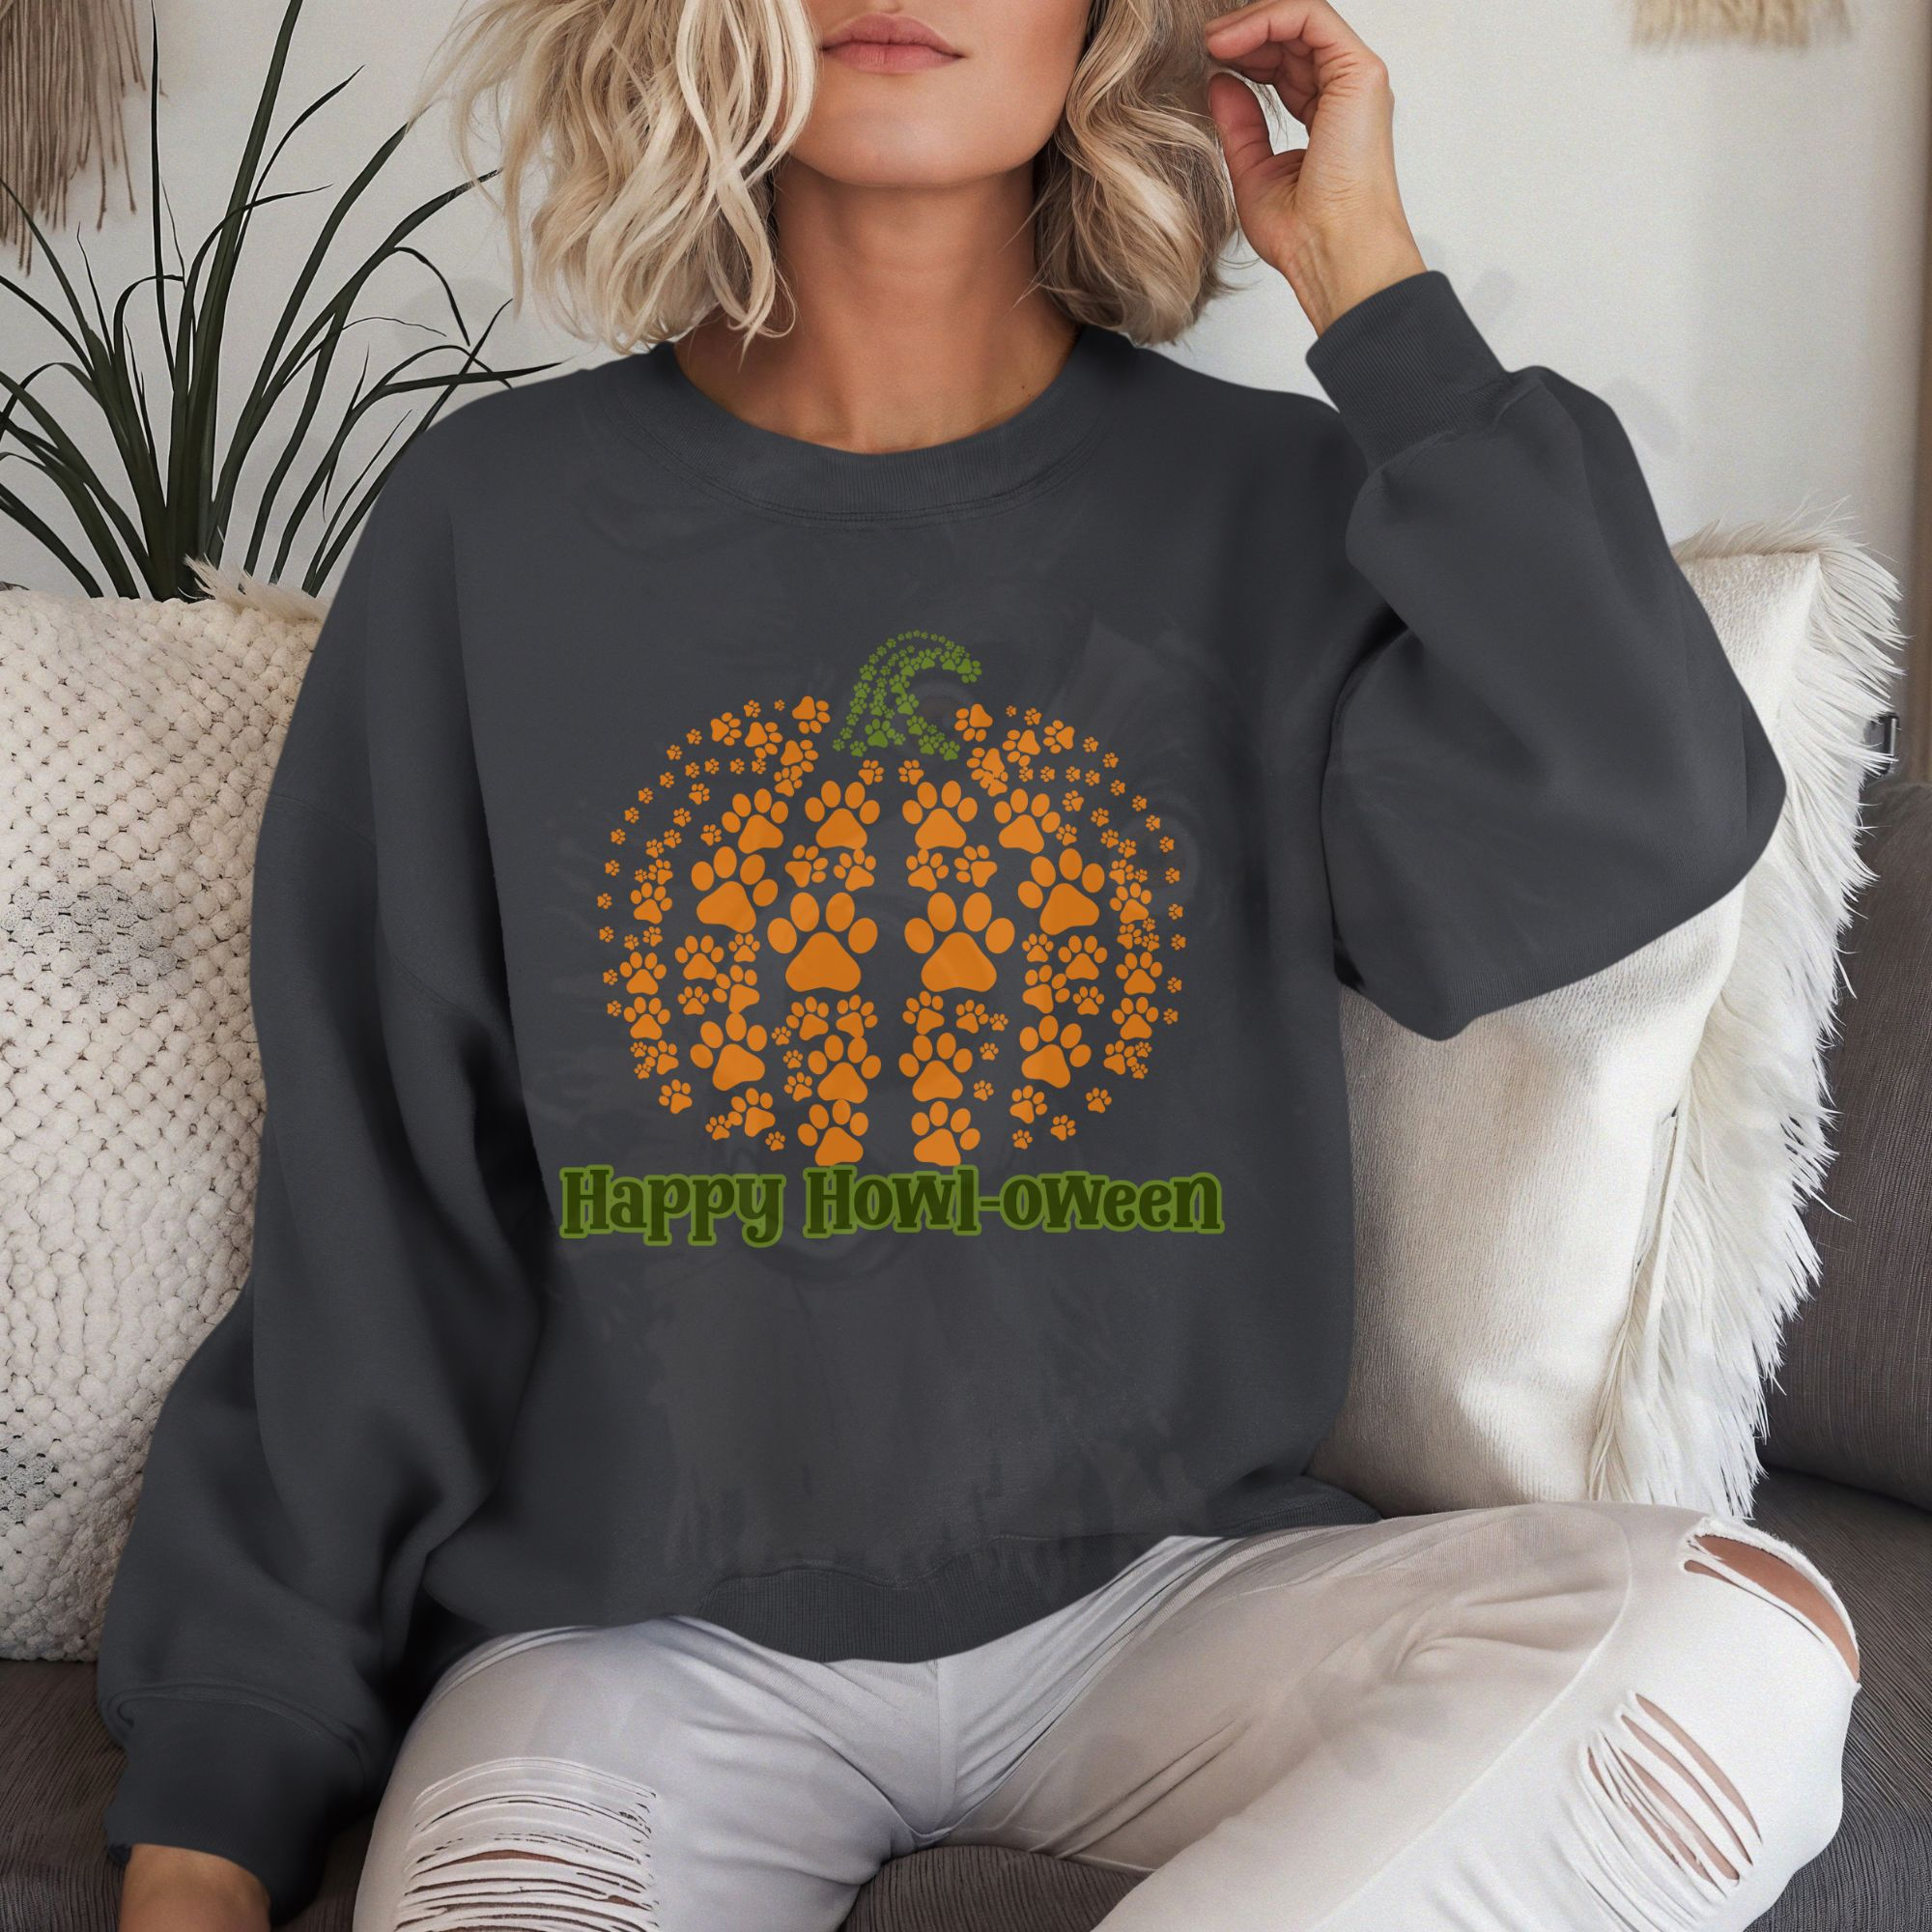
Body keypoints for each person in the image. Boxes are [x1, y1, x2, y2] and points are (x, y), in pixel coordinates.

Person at [100, 2, 1861, 1928]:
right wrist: (214, 1812)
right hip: (627, 1653)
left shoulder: (1272, 513)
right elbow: (375, 1219)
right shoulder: (488, 527)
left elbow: (1651, 798)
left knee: (1737, 1647)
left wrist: (1369, 284)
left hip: (1173, 1608)